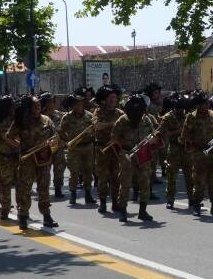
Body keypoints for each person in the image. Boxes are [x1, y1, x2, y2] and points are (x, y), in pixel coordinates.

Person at [8, 95, 59, 231]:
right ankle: (23, 215)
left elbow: (55, 136)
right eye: (34, 106)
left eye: (38, 105)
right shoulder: (21, 121)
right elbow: (9, 136)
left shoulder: (46, 120)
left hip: (43, 158)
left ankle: (46, 216)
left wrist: (52, 144)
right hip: (27, 159)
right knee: (25, 187)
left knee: (44, 187)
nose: (37, 108)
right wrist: (19, 146)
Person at [180, 90, 213, 216]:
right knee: (199, 180)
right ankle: (197, 205)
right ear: (198, 105)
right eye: (203, 104)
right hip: (199, 153)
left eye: (207, 103)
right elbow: (184, 135)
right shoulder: (191, 117)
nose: (206, 106)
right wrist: (195, 143)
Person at [110, 94, 156, 223]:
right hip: (127, 153)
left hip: (143, 152)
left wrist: (151, 141)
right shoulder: (123, 120)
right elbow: (114, 137)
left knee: (145, 182)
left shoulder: (146, 120)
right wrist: (123, 150)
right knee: (125, 183)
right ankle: (123, 211)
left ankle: (143, 211)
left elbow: (153, 135)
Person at [58, 94, 96, 205]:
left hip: (88, 147)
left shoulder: (89, 115)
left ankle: (88, 194)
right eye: (77, 104)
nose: (79, 106)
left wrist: (91, 134)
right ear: (73, 105)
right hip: (74, 148)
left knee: (88, 171)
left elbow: (95, 129)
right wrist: (66, 140)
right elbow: (60, 131)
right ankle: (73, 194)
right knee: (74, 172)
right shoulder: (67, 117)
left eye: (81, 103)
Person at [93, 85, 123, 215]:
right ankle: (103, 202)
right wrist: (112, 124)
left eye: (115, 97)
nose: (113, 99)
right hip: (102, 148)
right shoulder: (98, 112)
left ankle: (116, 202)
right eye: (110, 97)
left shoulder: (120, 113)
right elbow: (96, 126)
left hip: (116, 149)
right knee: (103, 176)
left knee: (116, 176)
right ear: (104, 100)